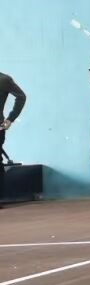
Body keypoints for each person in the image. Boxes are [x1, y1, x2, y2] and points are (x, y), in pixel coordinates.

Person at [0, 70, 25, 204]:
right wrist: (10, 119)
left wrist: (10, 118)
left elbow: (21, 97)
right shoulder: (4, 79)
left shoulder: (4, 79)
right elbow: (21, 96)